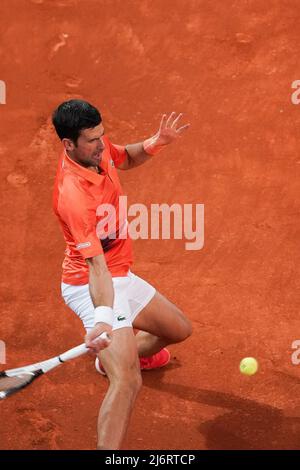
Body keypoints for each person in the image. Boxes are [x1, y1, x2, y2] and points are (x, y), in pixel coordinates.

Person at [52, 99, 192, 450]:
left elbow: (125, 157)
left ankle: (110, 360)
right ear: (69, 144)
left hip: (119, 273)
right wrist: (102, 318)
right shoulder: (73, 195)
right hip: (90, 285)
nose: (101, 145)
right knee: (128, 382)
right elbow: (95, 268)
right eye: (92, 140)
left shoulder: (96, 153)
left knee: (178, 330)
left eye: (102, 135)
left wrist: (156, 142)